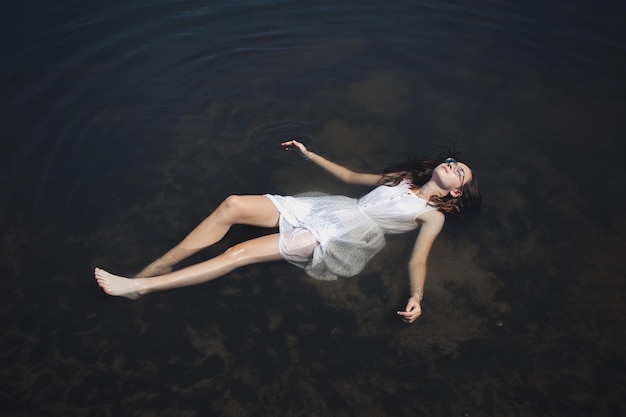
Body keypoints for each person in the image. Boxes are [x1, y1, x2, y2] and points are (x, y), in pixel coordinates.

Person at [95, 140, 481, 323]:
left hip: (343, 234)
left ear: (456, 191)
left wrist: (417, 296)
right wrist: (308, 154)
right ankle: (157, 268)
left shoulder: (432, 215)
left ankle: (139, 287)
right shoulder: (398, 179)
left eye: (458, 171)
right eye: (452, 162)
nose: (451, 166)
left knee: (237, 254)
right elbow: (348, 176)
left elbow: (418, 258)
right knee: (232, 204)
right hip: (328, 207)